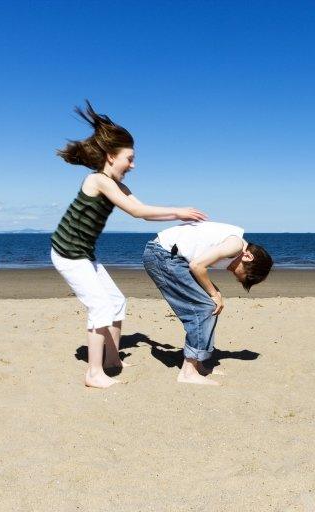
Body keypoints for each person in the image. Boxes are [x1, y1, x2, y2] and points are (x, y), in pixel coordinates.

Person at [51, 101, 206, 389]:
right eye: (129, 158)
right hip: (67, 254)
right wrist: (179, 211)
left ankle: (112, 361)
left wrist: (178, 216)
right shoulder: (98, 180)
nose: (133, 165)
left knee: (117, 301)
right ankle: (93, 373)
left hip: (83, 254)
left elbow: (142, 209)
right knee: (99, 306)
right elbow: (138, 213)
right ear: (111, 156)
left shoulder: (117, 185)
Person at [142, 221, 273, 385]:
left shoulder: (235, 246)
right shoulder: (236, 245)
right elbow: (197, 265)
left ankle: (198, 365)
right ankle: (188, 371)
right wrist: (214, 293)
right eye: (237, 272)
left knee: (211, 305)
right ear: (248, 256)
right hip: (162, 256)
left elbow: (196, 263)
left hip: (171, 257)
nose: (231, 271)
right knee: (204, 308)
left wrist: (214, 293)